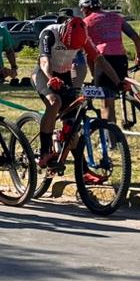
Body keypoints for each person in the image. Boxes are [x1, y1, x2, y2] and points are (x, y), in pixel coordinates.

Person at [32, 16, 118, 168]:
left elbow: (100, 60)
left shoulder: (84, 38)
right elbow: (44, 61)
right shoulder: (49, 33)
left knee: (72, 124)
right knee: (54, 102)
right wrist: (51, 78)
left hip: (65, 75)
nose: (70, 49)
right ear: (63, 33)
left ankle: (82, 170)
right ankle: (45, 151)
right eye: (68, 46)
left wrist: (118, 82)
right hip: (44, 74)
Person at [80, 0, 140, 122]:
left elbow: (89, 54)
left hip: (104, 60)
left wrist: (93, 75)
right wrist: (139, 58)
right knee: (113, 97)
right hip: (120, 59)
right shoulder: (116, 17)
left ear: (86, 7)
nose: (81, 11)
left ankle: (111, 134)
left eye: (82, 8)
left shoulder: (86, 22)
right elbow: (136, 38)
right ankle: (114, 131)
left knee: (107, 105)